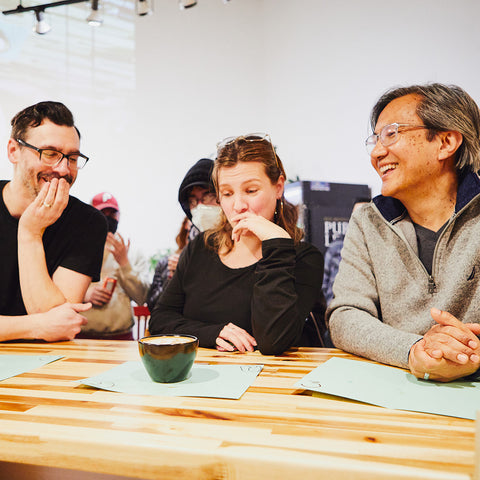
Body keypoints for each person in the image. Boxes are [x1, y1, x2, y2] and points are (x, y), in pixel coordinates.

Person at [328, 83, 480, 383]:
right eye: (375, 138)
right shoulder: (368, 220)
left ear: (446, 142)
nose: (377, 152)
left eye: (392, 133)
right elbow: (345, 316)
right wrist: (414, 350)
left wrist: (468, 355)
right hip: (396, 388)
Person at [149, 133, 325, 355]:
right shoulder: (200, 248)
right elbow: (160, 320)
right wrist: (211, 333)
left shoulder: (303, 258)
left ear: (278, 187)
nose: (238, 205)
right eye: (227, 193)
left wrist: (277, 244)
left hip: (270, 382)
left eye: (251, 191)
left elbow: (273, 341)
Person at [0, 101, 107, 341]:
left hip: (48, 363)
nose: (63, 169)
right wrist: (36, 326)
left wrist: (30, 233)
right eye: (50, 154)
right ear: (13, 151)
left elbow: (60, 325)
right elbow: (47, 323)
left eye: (72, 158)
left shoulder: (88, 222)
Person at [146, 158, 220, 311]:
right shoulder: (190, 250)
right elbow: (159, 309)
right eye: (193, 201)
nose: (200, 206)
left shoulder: (240, 240)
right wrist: (178, 272)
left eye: (207, 196)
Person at [80, 192, 150, 339]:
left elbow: (142, 298)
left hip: (122, 336)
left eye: (112, 214)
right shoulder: (76, 249)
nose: (107, 218)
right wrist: (84, 295)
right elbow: (58, 291)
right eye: (101, 213)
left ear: (119, 216)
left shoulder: (133, 253)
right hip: (82, 335)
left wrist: (125, 264)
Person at [322, 198, 371, 305]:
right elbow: (323, 284)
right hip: (334, 309)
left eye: (364, 214)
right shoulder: (336, 246)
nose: (359, 219)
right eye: (355, 214)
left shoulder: (378, 248)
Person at [146, 216, 191, 312]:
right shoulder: (166, 263)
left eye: (195, 231)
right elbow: (152, 304)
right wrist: (172, 277)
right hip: (168, 322)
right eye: (187, 231)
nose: (190, 236)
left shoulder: (211, 264)